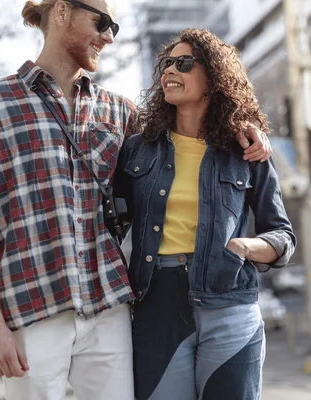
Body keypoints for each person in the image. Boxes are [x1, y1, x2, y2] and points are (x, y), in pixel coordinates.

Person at [0, 1, 272, 399]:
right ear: (62, 11)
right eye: (102, 23)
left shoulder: (120, 113)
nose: (109, 37)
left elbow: (188, 141)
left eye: (115, 27)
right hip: (32, 307)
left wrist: (245, 128)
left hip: (111, 309)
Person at [115, 29, 296, 400]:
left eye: (183, 63)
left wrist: (247, 246)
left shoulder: (245, 151)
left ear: (214, 78)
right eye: (166, 64)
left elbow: (282, 236)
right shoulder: (136, 150)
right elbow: (110, 223)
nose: (169, 71)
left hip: (229, 301)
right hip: (156, 306)